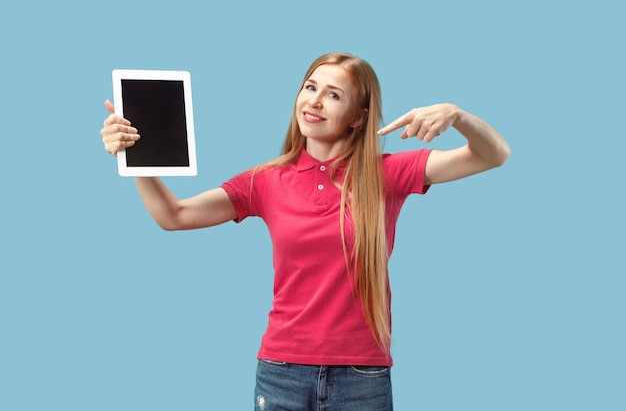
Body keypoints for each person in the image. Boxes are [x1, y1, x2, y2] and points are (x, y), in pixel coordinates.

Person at [100, 52, 510, 411]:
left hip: (361, 376)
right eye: (310, 86)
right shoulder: (265, 180)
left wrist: (458, 115)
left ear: (359, 117)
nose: (314, 100)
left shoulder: (386, 173)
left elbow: (493, 154)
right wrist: (135, 155)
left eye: (333, 94)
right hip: (281, 371)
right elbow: (174, 215)